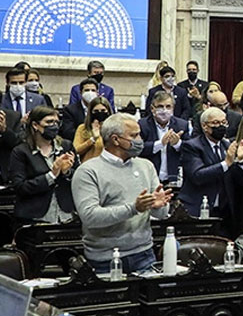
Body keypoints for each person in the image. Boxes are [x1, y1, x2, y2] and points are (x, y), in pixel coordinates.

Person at [71, 113, 172, 274]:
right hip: (105, 259)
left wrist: (158, 206)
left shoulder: (146, 166)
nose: (140, 140)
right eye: (134, 135)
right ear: (115, 139)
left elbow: (161, 214)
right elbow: (90, 217)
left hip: (144, 254)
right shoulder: (88, 171)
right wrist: (134, 208)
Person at [8, 106, 77, 224]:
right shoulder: (21, 151)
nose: (54, 125)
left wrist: (67, 172)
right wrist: (51, 175)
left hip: (65, 215)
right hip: (34, 217)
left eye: (56, 122)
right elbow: (20, 187)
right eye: (49, 122)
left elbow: (78, 177)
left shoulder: (66, 146)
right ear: (35, 125)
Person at [179, 107, 243, 221]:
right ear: (204, 126)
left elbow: (237, 179)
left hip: (224, 209)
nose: (221, 126)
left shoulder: (226, 145)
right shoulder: (192, 146)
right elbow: (197, 175)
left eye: (224, 122)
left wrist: (240, 160)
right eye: (216, 123)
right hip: (199, 206)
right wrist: (226, 163)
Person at [140, 91, 190, 184]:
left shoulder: (182, 125)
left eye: (168, 107)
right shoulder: (142, 125)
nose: (164, 110)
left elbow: (190, 151)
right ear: (152, 108)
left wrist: (177, 144)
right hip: (149, 179)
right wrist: (160, 144)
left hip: (174, 179)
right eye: (160, 106)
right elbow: (138, 149)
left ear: (173, 108)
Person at [73, 96, 111, 163]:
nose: (100, 113)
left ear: (108, 111)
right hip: (89, 166)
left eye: (103, 110)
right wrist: (93, 139)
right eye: (96, 111)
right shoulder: (83, 128)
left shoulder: (114, 128)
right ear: (91, 112)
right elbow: (76, 150)